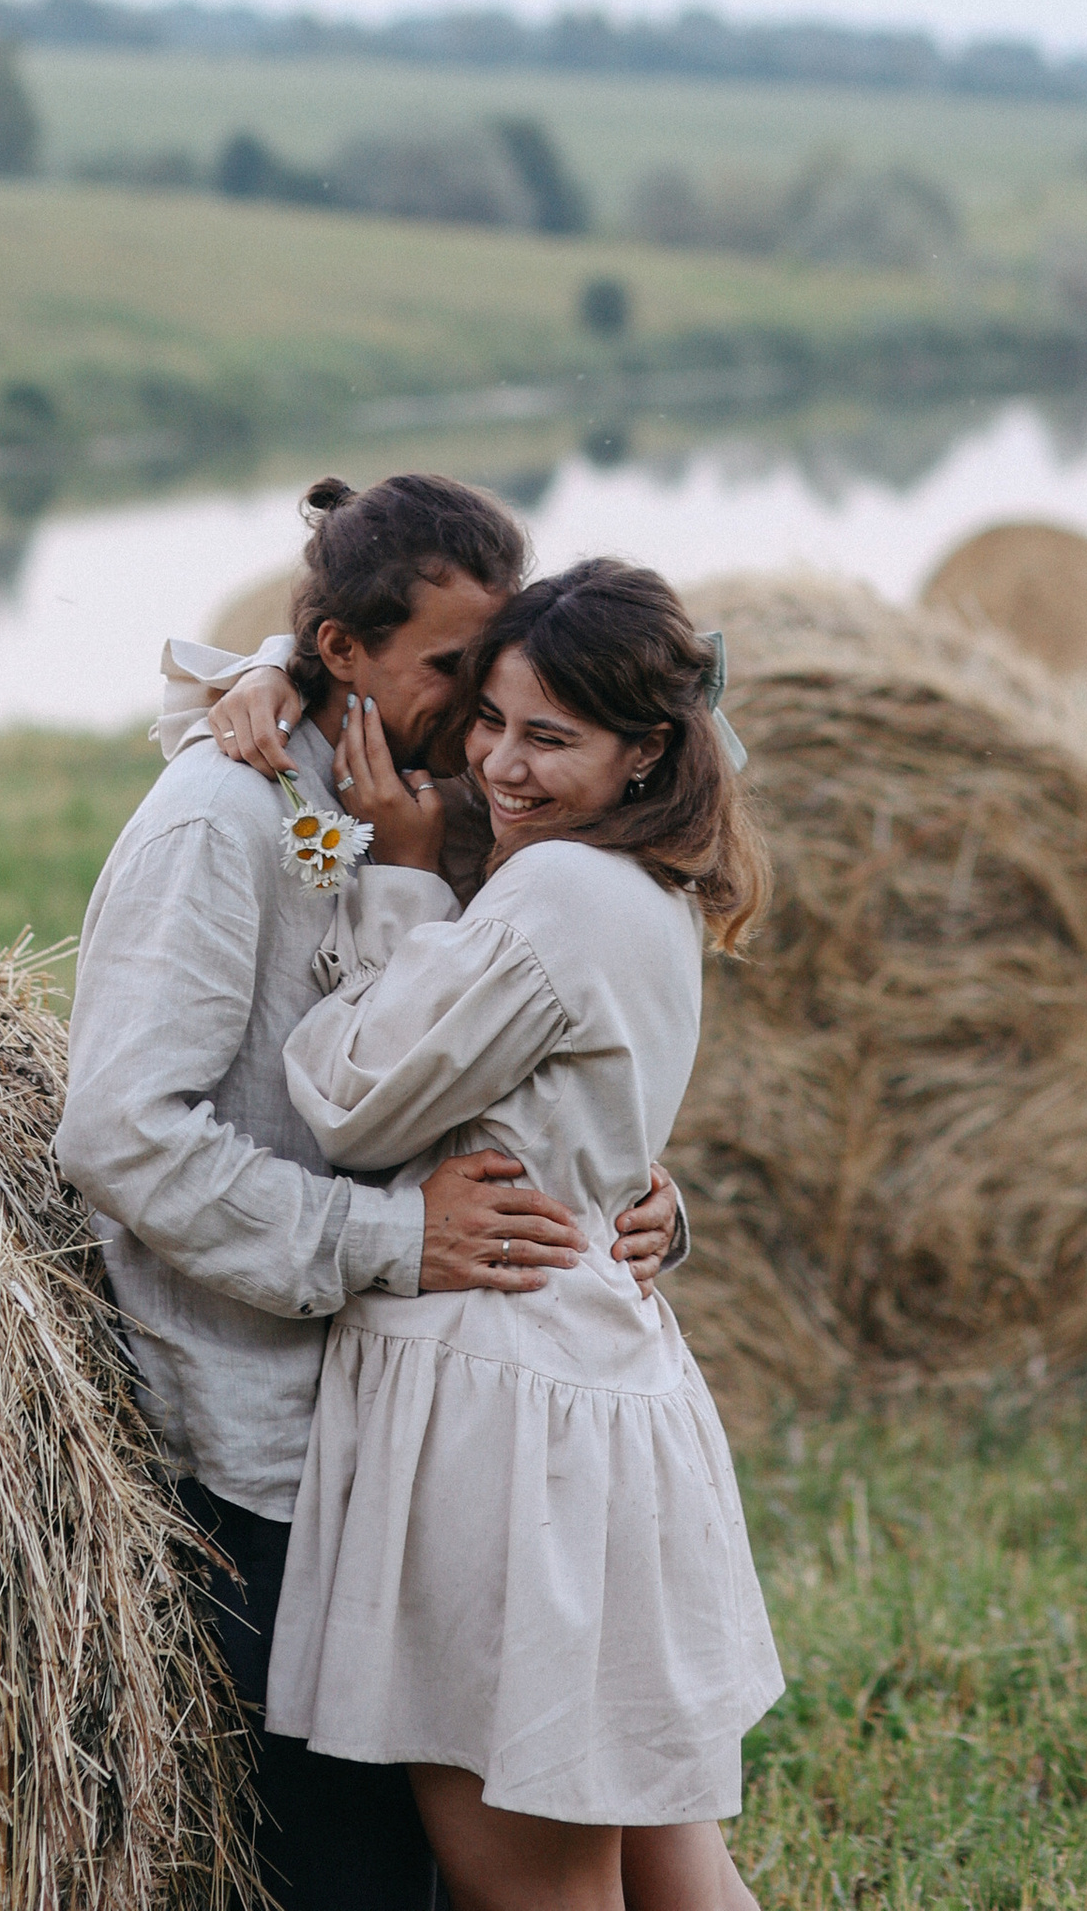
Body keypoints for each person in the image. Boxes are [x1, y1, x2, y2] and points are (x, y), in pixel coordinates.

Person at [55, 475, 684, 1911]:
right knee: (351, 1872)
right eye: (453, 671)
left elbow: (518, 1035)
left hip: (417, 1426)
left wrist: (639, 1189)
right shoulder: (222, 819)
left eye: (501, 672)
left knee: (484, 1847)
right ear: (342, 651)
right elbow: (121, 1129)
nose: (485, 719)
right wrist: (389, 1238)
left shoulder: (437, 807)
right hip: (264, 1446)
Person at [261, 557, 784, 1911]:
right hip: (601, 1398)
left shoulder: (550, 898)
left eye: (551, 738)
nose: (499, 761)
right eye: (489, 718)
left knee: (538, 1893)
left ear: (645, 752)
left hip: (506, 1427)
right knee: (679, 1873)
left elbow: (354, 1103)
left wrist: (407, 884)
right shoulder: (645, 884)